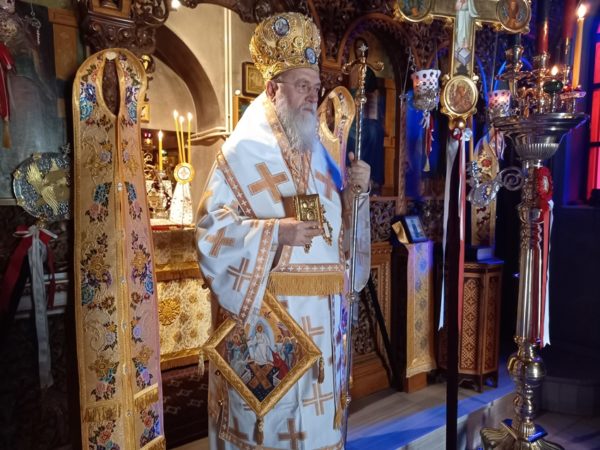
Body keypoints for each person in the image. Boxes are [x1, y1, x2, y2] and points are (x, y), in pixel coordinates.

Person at [195, 12, 371, 449]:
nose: (313, 97)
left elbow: (339, 243)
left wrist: (356, 196)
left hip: (323, 325)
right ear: (273, 89)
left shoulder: (320, 156)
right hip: (271, 327)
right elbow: (210, 233)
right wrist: (277, 234)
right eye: (302, 85)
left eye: (316, 87)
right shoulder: (241, 152)